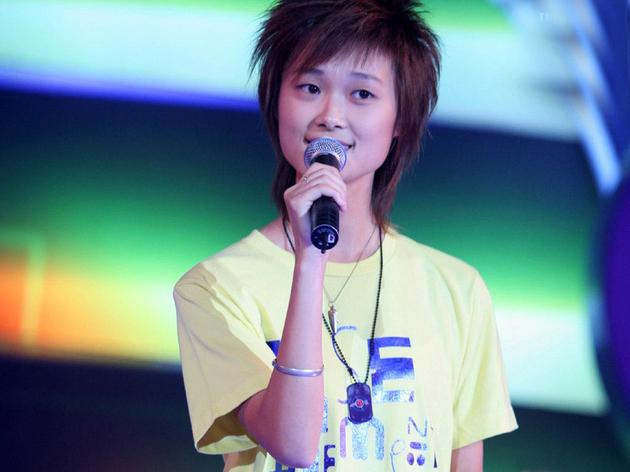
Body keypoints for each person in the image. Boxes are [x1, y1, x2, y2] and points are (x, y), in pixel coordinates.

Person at [173, 1, 518, 470]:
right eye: (310, 88)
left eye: (362, 94)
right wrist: (310, 258)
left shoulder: (458, 291)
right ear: (275, 101)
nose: (331, 116)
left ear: (400, 121)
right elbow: (292, 444)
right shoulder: (216, 288)